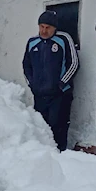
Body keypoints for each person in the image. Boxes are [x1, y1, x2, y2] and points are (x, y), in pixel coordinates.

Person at [22, 10, 79, 151]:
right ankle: (43, 156)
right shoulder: (32, 42)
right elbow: (26, 65)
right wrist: (32, 84)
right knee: (41, 127)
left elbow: (74, 64)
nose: (44, 30)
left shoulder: (64, 39)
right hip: (40, 94)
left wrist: (61, 84)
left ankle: (60, 156)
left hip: (60, 95)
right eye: (41, 26)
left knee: (58, 127)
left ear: (54, 28)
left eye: (48, 27)